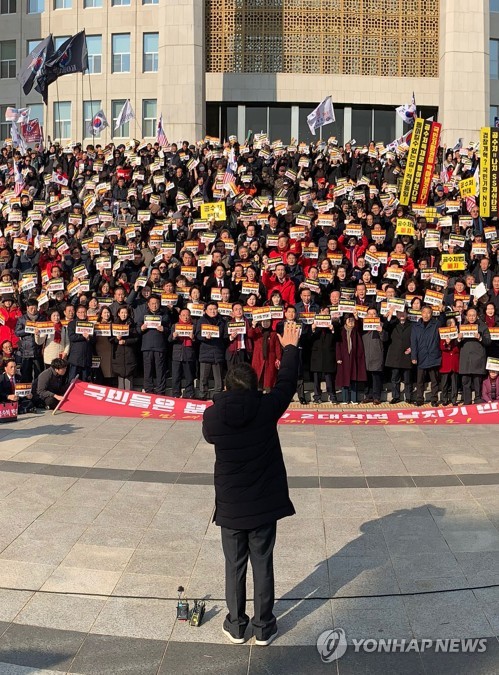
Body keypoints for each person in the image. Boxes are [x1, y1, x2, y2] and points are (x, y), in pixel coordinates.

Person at [202, 321, 300, 646]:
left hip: (230, 509)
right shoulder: (267, 408)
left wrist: (221, 399)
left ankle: (236, 624)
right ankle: (263, 627)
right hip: (262, 507)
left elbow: (209, 433)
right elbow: (286, 383)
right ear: (256, 386)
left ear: (227, 388)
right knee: (263, 565)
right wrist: (289, 348)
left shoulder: (213, 417)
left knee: (234, 567)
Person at [411, 305, 441, 406]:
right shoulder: (416, 326)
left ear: (431, 314)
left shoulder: (436, 324)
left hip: (433, 355)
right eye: (424, 312)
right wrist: (414, 356)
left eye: (428, 313)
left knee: (434, 380)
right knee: (420, 381)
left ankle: (434, 399)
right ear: (421, 313)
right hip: (421, 356)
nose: (426, 315)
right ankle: (420, 398)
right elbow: (413, 342)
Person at [169, 308, 196, 398]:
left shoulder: (193, 326)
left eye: (187, 315)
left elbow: (198, 342)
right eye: (183, 315)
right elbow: (169, 340)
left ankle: (190, 394)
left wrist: (193, 338)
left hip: (189, 354)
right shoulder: (175, 326)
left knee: (189, 376)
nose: (185, 317)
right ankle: (176, 394)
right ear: (180, 316)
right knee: (176, 376)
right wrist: (173, 336)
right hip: (177, 354)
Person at [110, 306, 139, 390]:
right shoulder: (114, 324)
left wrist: (126, 342)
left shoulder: (132, 324)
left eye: (125, 313)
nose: (124, 315)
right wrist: (116, 339)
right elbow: (110, 339)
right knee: (120, 375)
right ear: (118, 314)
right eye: (122, 313)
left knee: (129, 376)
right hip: (118, 353)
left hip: (129, 353)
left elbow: (136, 338)